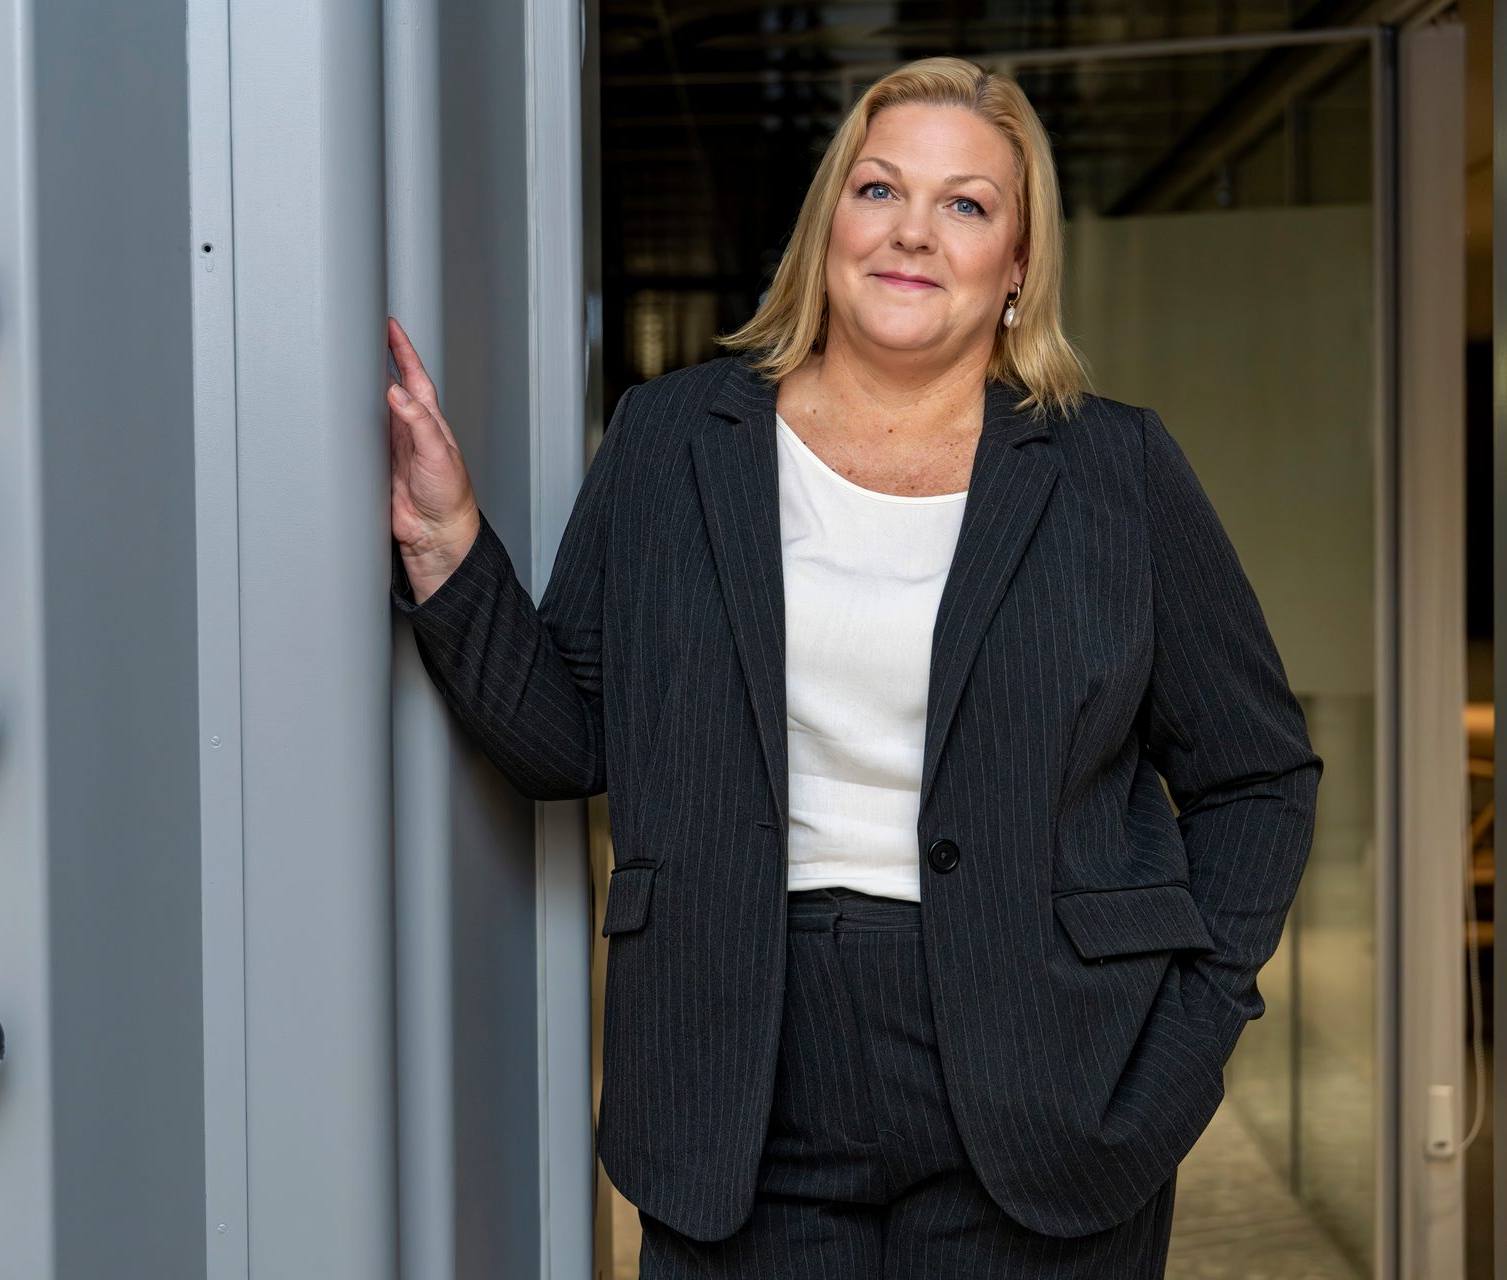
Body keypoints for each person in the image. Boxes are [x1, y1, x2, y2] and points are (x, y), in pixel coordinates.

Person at [385, 54, 1321, 1279]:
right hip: (741, 1070)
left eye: (968, 204)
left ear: (1020, 262)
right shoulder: (673, 438)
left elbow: (1257, 774)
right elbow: (570, 738)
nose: (913, 233)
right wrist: (451, 549)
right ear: (831, 219)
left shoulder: (1115, 471)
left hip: (1050, 1059)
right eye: (880, 189)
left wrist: (1190, 1038)